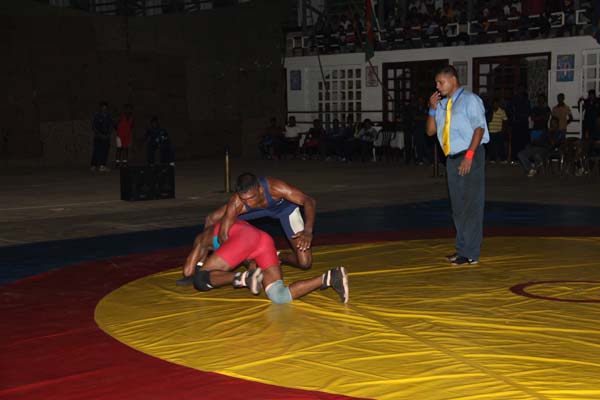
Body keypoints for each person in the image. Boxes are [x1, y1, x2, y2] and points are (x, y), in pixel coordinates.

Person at [181, 220, 349, 304]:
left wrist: (199, 267)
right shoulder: (222, 237)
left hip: (244, 238)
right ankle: (329, 277)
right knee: (278, 296)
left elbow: (188, 272)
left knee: (200, 280)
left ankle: (243, 278)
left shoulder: (202, 239)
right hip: (262, 239)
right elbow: (246, 256)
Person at [426, 65, 489, 265]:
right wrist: (432, 109)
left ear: (453, 80)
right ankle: (462, 248)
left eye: (440, 82)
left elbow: (479, 129)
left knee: (471, 205)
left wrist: (469, 156)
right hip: (452, 158)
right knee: (458, 206)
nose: (437, 86)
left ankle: (471, 253)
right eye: (436, 83)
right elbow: (430, 131)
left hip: (470, 154)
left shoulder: (470, 100)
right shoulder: (443, 105)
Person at [206, 172, 316, 270]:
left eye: (251, 197)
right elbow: (223, 236)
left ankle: (279, 256)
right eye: (244, 199)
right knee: (212, 218)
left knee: (305, 263)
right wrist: (246, 260)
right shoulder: (237, 202)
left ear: (260, 189)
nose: (249, 203)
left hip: (285, 210)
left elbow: (308, 200)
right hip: (251, 212)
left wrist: (308, 231)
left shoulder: (275, 187)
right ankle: (204, 261)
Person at [90, 101, 114, 172]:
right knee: (97, 151)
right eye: (103, 108)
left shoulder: (109, 116)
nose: (104, 110)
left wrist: (108, 134)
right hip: (98, 136)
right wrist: (100, 134)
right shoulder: (96, 115)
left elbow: (111, 125)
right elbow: (94, 126)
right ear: (100, 108)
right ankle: (93, 165)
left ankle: (102, 166)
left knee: (105, 151)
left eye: (105, 108)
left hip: (106, 136)